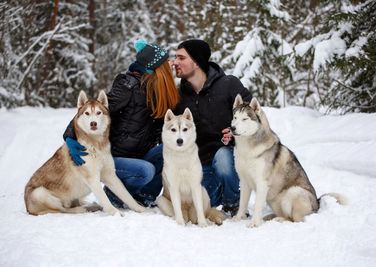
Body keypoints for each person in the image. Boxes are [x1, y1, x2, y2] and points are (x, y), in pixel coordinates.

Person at [63, 39, 180, 207]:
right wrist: (70, 137)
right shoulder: (127, 86)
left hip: (138, 155)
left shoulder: (159, 91)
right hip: (113, 157)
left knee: (168, 149)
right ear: (155, 67)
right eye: (165, 61)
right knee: (145, 170)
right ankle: (114, 197)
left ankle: (143, 196)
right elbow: (93, 111)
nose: (170, 64)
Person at [172, 39, 252, 216]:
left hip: (231, 157)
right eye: (175, 58)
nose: (175, 62)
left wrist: (234, 130)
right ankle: (218, 197)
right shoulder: (178, 96)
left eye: (181, 58)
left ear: (197, 62)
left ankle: (234, 203)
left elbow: (254, 116)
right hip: (200, 163)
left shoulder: (228, 84)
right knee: (203, 200)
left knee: (223, 159)